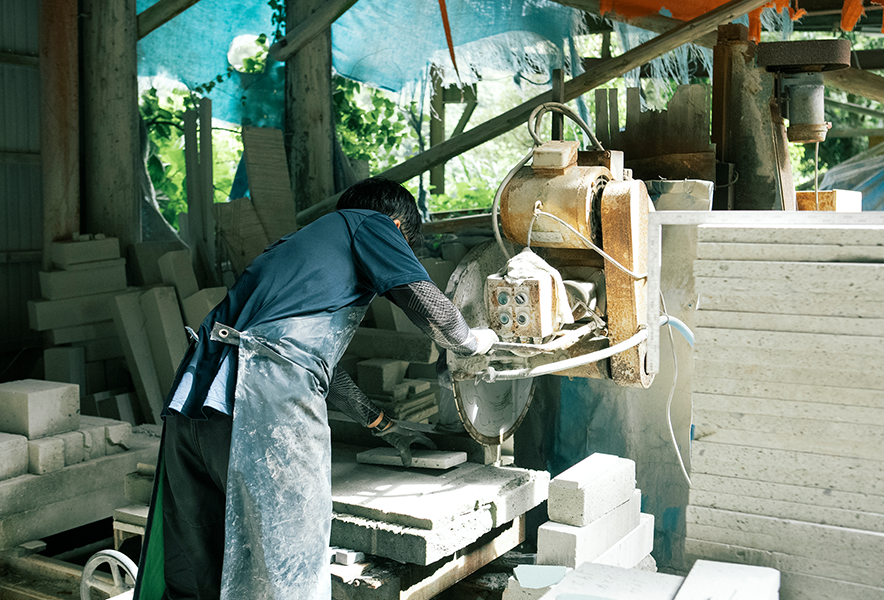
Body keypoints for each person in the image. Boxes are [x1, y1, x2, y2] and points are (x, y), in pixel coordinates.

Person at [133, 177, 498, 600]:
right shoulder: (372, 224)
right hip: (261, 412)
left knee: (199, 575)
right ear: (398, 228)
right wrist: (473, 340)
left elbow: (313, 364)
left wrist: (382, 424)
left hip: (194, 407)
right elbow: (429, 307)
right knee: (289, 571)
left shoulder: (297, 248)